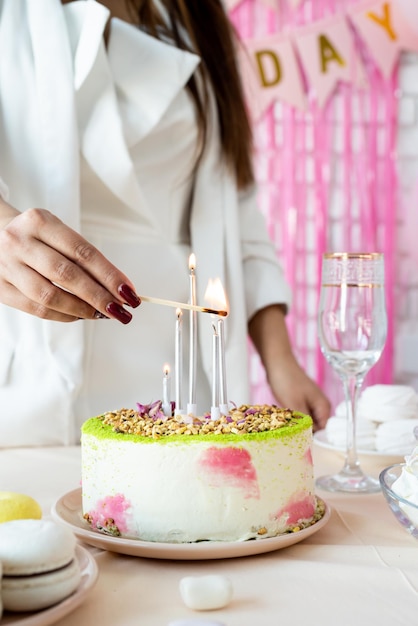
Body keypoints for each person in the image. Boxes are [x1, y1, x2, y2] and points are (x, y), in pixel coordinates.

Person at [0, 0, 330, 447]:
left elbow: (239, 214)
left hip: (179, 367)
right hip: (35, 357)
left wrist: (280, 360)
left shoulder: (201, 24)